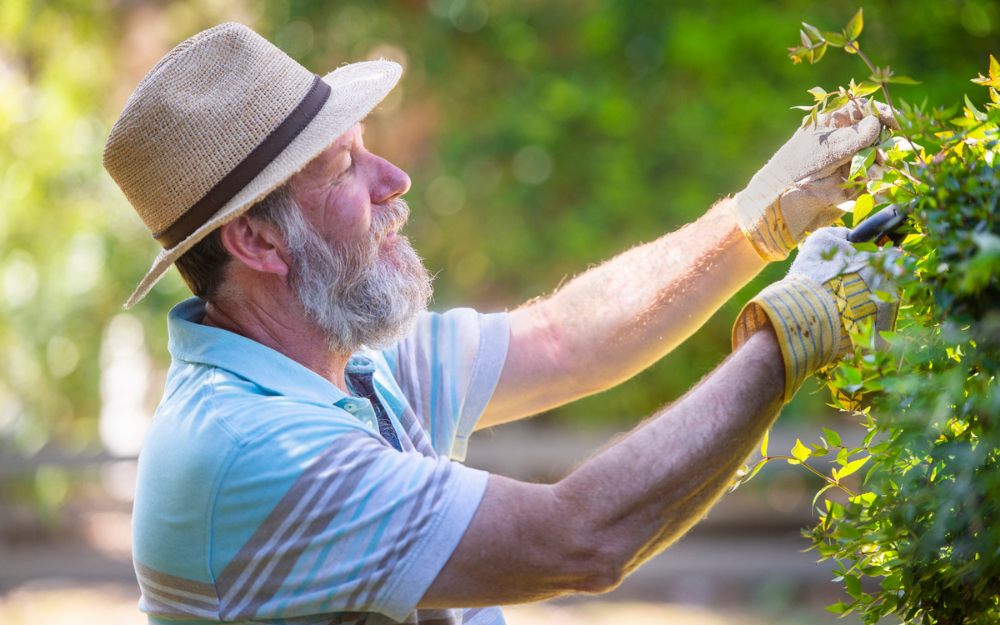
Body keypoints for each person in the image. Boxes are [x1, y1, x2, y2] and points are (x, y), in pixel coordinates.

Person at [102, 22, 899, 625]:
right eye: (344, 166)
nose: (393, 178)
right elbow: (576, 539)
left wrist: (757, 220)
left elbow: (562, 336)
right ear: (257, 240)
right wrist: (788, 336)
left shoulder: (339, 361)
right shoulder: (252, 450)